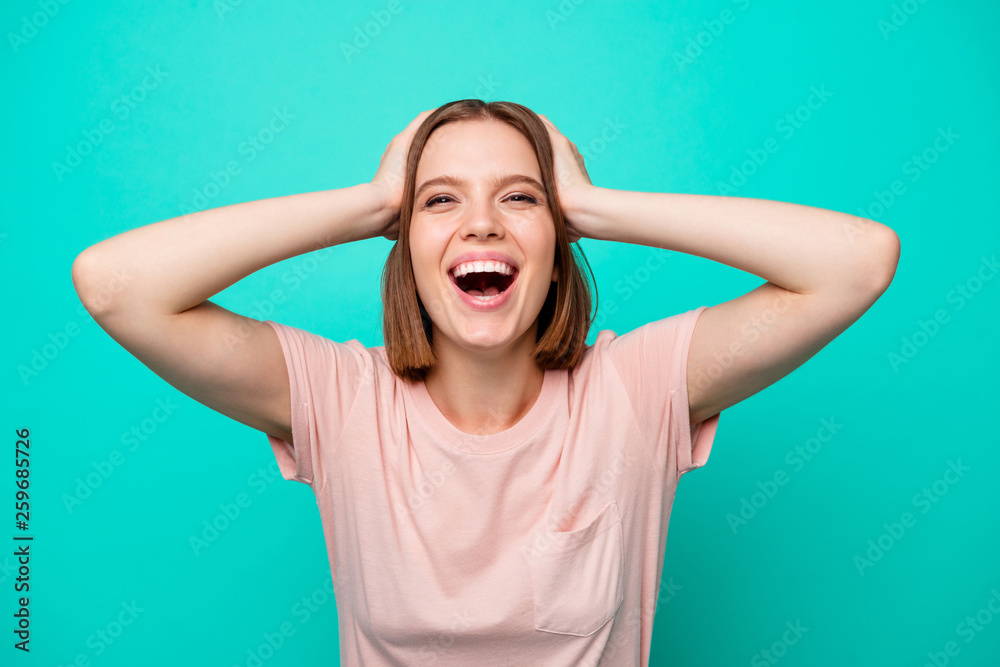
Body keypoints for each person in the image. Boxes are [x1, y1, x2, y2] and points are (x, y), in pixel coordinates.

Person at [71, 99, 900, 665]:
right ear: (404, 246)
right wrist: (369, 201)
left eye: (520, 198)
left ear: (558, 245)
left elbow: (857, 263)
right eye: (440, 202)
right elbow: (114, 285)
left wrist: (595, 205)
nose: (481, 224)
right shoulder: (340, 399)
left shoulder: (634, 390)